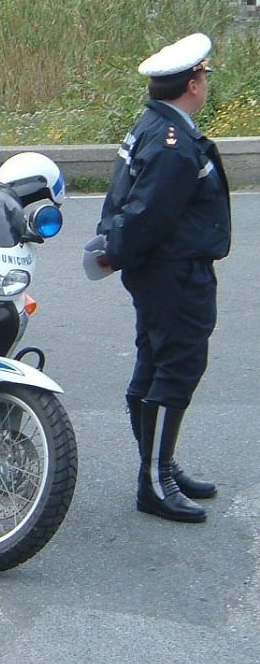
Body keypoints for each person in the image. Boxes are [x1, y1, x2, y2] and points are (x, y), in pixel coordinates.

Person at [96, 33, 231, 523]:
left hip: (160, 269)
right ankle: (154, 481)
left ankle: (160, 466)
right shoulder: (173, 142)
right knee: (176, 367)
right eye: (204, 77)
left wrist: (118, 251)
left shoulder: (155, 126)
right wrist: (117, 252)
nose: (206, 84)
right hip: (174, 270)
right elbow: (148, 213)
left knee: (156, 362)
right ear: (193, 84)